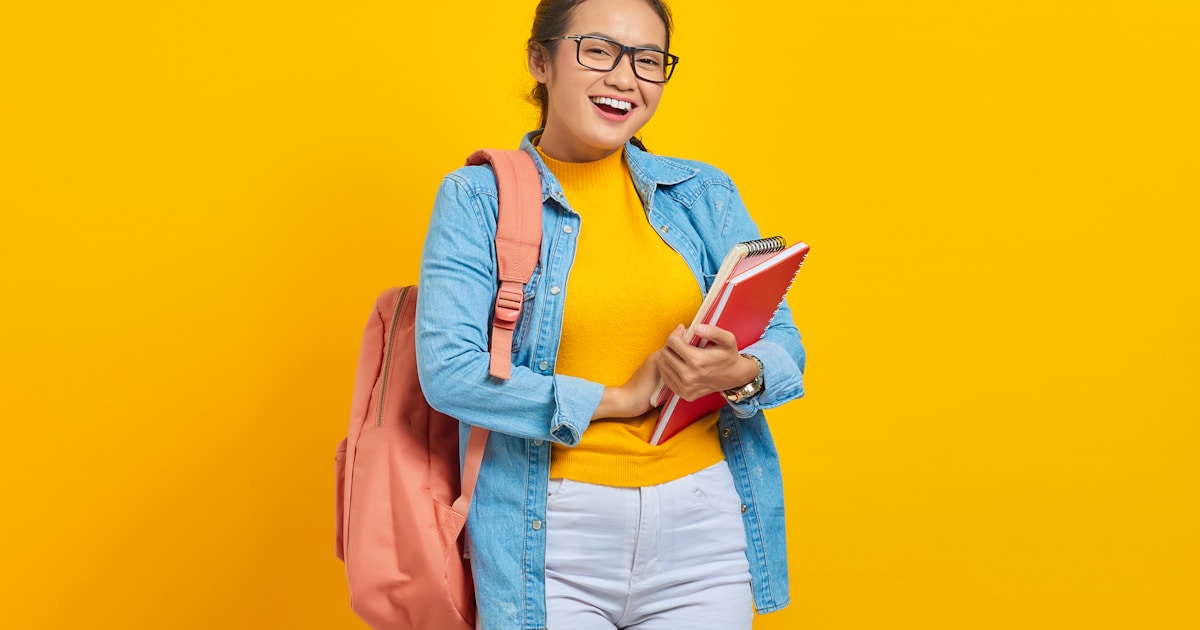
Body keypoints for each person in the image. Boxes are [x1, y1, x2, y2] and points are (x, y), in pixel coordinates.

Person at [415, 0, 806, 627]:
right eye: (599, 51)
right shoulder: (477, 199)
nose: (625, 79)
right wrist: (619, 398)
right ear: (540, 60)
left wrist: (739, 372)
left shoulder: (702, 194)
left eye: (648, 62)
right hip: (548, 536)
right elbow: (449, 373)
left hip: (703, 526)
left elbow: (784, 342)